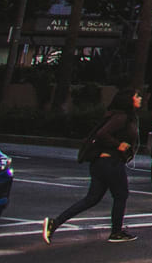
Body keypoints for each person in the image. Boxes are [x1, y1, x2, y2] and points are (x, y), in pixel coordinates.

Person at [44, 88, 141, 244]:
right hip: (111, 164)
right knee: (121, 195)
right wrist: (119, 145)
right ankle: (116, 232)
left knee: (91, 199)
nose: (139, 98)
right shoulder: (121, 117)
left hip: (100, 164)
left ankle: (55, 223)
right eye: (136, 96)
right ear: (128, 100)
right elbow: (101, 134)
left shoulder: (117, 115)